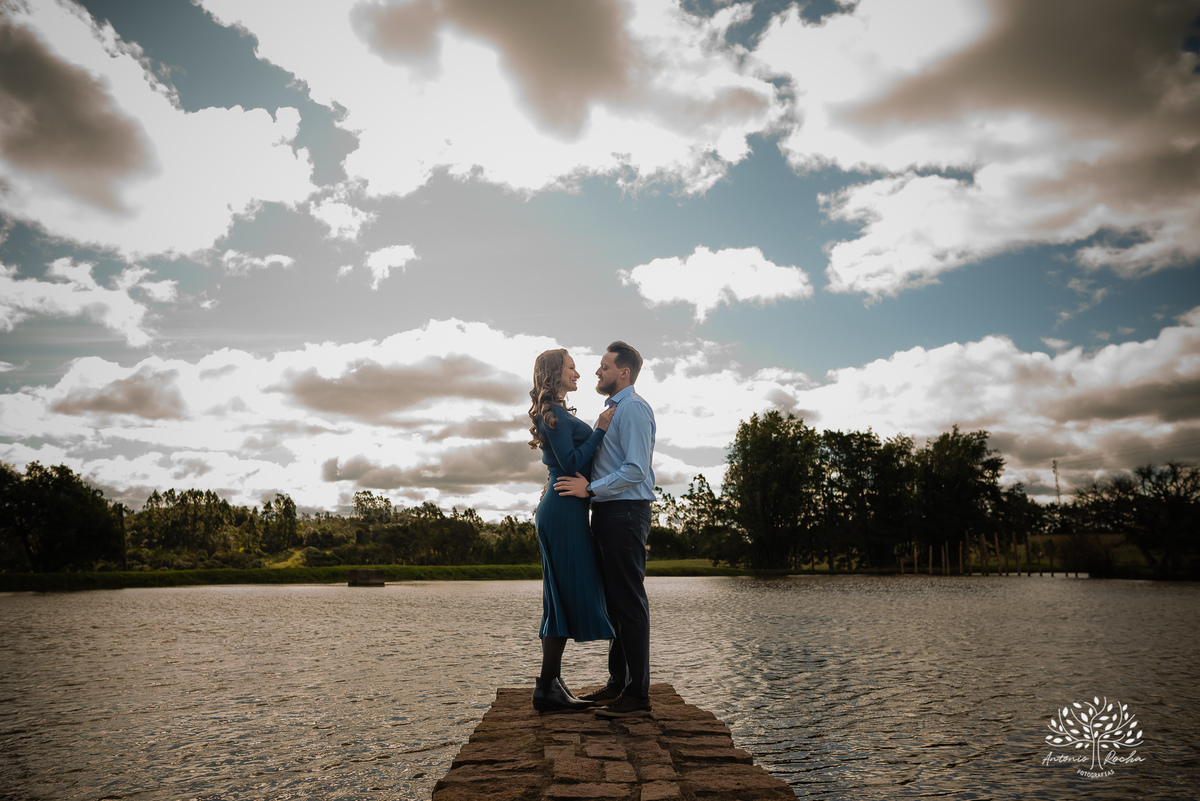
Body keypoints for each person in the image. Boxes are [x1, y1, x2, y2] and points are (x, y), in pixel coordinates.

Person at [554, 341, 656, 718]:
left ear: (624, 372)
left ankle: (637, 695)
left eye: (604, 366)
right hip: (609, 512)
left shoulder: (633, 408)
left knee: (628, 601)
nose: (597, 372)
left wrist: (591, 489)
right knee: (615, 603)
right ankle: (619, 684)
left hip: (625, 512)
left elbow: (636, 470)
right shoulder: (614, 410)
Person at [528, 348, 617, 712]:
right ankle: (547, 686)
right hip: (563, 511)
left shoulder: (557, 413)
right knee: (561, 595)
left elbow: (560, 464)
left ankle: (551, 682)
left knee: (559, 596)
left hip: (565, 508)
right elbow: (570, 463)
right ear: (555, 373)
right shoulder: (555, 414)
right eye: (571, 367)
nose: (578, 373)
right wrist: (599, 430)